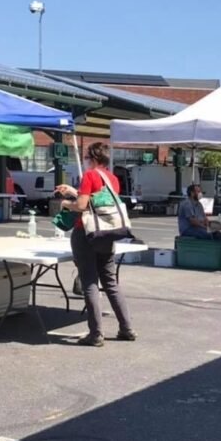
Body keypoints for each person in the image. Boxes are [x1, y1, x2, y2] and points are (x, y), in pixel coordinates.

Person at [55, 142, 135, 347]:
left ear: (92, 157)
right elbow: (98, 201)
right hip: (107, 233)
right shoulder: (112, 178)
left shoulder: (90, 175)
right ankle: (126, 328)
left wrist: (66, 203)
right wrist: (75, 191)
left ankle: (96, 334)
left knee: (89, 282)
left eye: (86, 157)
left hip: (87, 233)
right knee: (110, 282)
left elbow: (82, 206)